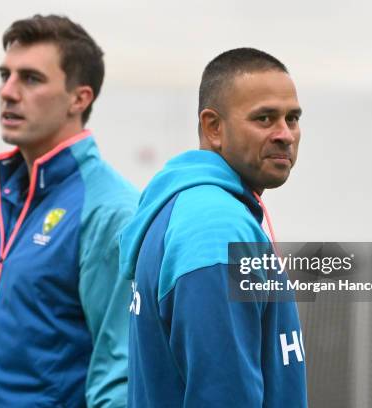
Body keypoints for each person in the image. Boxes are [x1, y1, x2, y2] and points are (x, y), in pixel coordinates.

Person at [0, 15, 138, 407]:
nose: (8, 92)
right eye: (4, 75)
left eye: (30, 79)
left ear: (80, 98)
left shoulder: (111, 211)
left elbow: (120, 378)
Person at [120, 48, 307, 407]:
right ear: (213, 127)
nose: (285, 134)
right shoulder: (215, 228)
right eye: (265, 119)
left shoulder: (191, 210)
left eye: (293, 118)